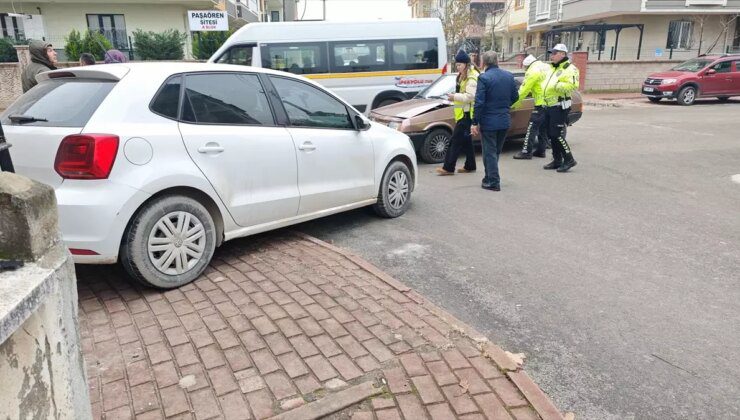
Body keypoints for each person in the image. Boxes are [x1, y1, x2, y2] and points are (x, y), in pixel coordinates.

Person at [471, 51, 518, 191]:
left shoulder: (484, 78)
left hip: (489, 122)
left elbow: (479, 102)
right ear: (497, 61)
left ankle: (493, 181)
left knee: (489, 152)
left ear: (484, 63)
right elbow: (515, 97)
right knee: (495, 152)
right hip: (504, 120)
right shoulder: (509, 76)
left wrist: (474, 122)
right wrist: (504, 106)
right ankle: (489, 177)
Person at [436, 50, 479, 176]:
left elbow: (470, 97)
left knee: (454, 141)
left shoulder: (472, 77)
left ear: (466, 64)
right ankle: (470, 165)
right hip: (463, 113)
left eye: (459, 65)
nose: (457, 67)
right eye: (456, 65)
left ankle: (448, 168)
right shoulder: (462, 76)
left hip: (467, 114)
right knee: (466, 141)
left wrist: (454, 97)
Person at [541, 44, 579, 172]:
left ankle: (569, 159)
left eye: (554, 53)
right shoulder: (552, 68)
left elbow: (573, 85)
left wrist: (557, 85)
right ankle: (557, 160)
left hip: (559, 106)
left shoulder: (570, 69)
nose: (551, 56)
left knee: (556, 134)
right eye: (551, 53)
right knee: (550, 135)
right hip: (548, 105)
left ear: (563, 54)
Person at [512, 54, 550, 160]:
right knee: (543, 128)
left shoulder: (532, 71)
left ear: (527, 66)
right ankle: (541, 150)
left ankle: (526, 152)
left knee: (531, 127)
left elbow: (523, 91)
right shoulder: (546, 67)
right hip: (551, 103)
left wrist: (512, 104)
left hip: (541, 103)